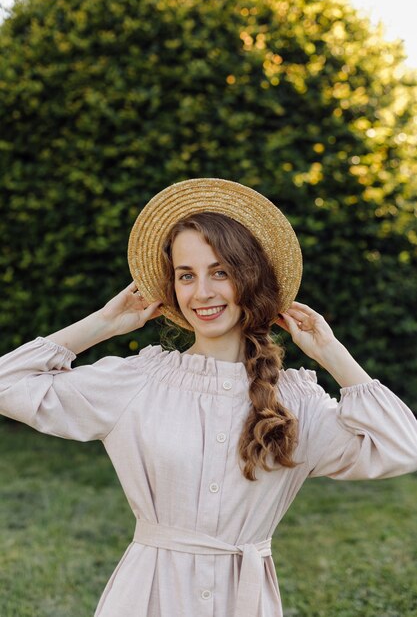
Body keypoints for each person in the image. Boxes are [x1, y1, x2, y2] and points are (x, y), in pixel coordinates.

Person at [0, 177, 416, 617]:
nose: (202, 293)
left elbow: (403, 448)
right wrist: (101, 325)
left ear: (250, 277)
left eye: (220, 272)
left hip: (245, 602)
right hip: (148, 599)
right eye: (186, 275)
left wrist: (334, 356)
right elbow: (8, 385)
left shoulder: (297, 402)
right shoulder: (140, 382)